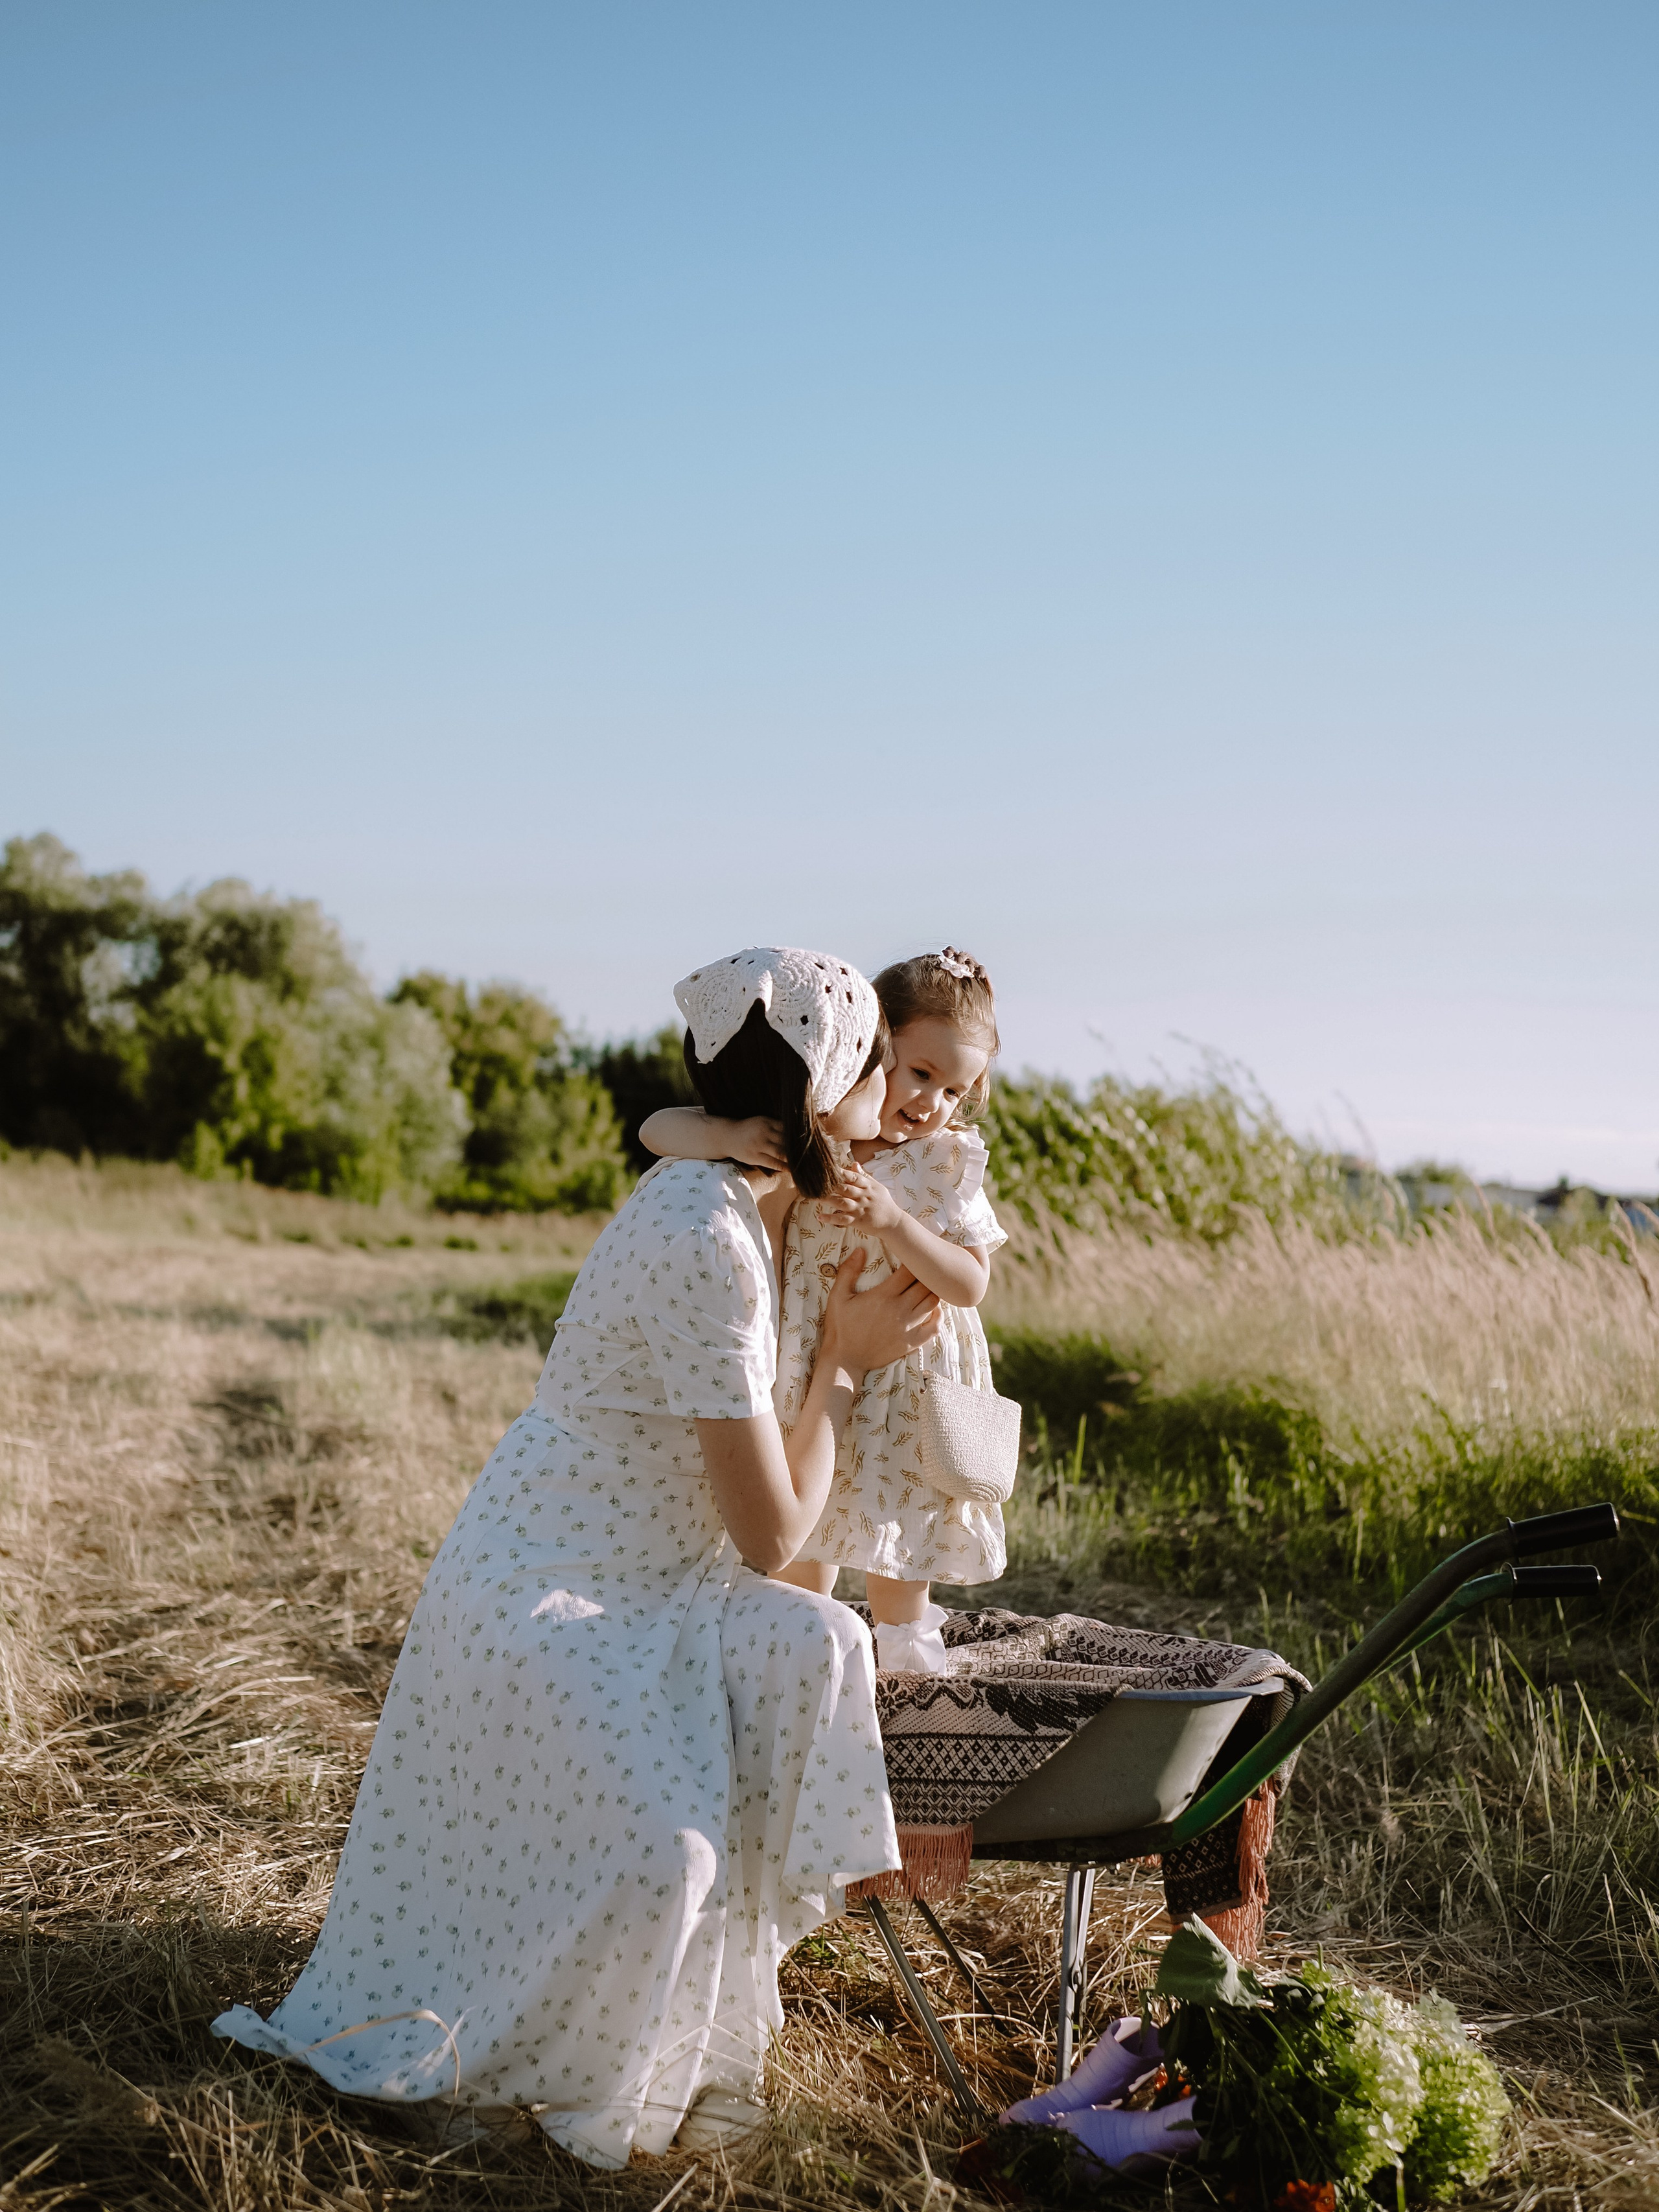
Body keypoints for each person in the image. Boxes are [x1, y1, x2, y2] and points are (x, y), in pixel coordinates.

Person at [213, 948, 940, 2168]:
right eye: (873, 1066)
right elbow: (775, 1533)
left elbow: (681, 1119)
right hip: (552, 1591)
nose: (893, 1096)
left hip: (665, 1584)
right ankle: (496, 2047)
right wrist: (849, 1365)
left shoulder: (760, 1185)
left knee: (821, 1638)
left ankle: (711, 2048)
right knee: (674, 1848)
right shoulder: (704, 1228)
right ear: (814, 1094)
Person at [642, 948, 1006, 1674]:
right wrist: (729, 1136)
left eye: (955, 1091)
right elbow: (656, 1128)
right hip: (812, 1358)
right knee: (809, 1526)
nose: (932, 1103)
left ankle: (905, 1657)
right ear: (873, 1051)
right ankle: (801, 1654)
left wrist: (896, 1221)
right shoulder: (823, 1132)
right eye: (920, 1073)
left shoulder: (943, 1161)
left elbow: (970, 1282)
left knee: (900, 1523)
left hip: (907, 1374)